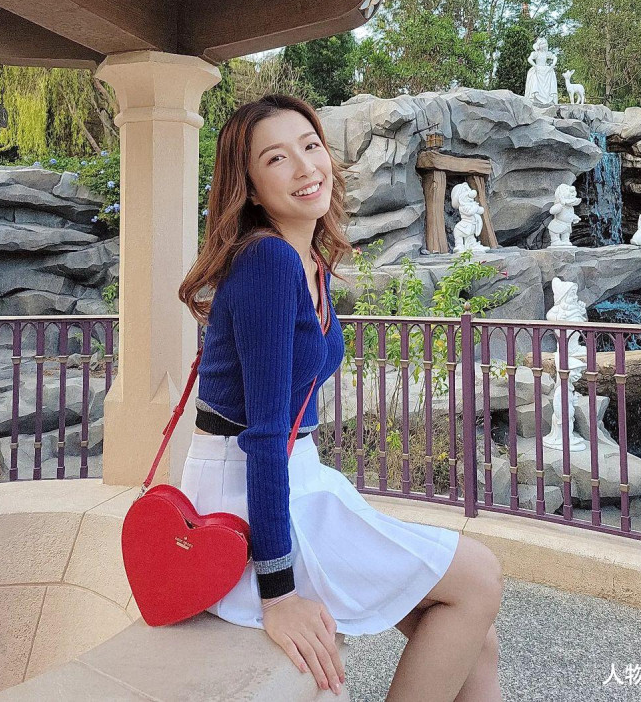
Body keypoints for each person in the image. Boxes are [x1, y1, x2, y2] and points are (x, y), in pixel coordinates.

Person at [178, 94, 504, 701]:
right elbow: (263, 437)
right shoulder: (268, 262)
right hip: (247, 496)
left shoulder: (307, 260)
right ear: (250, 188)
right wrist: (278, 592)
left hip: (296, 478)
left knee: (477, 638)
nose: (306, 167)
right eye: (277, 158)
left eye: (310, 146)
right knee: (479, 578)